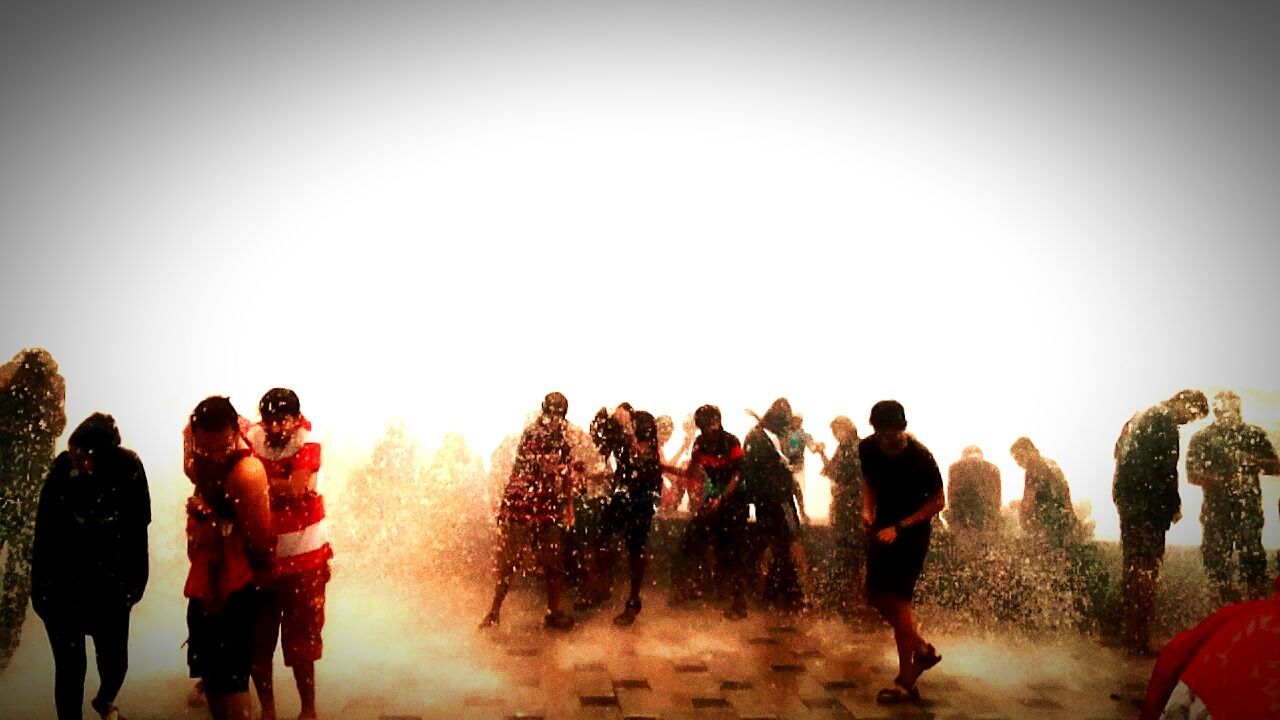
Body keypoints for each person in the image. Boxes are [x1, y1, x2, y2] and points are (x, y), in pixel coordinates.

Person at [31, 413, 149, 720]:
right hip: (62, 584)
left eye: (83, 456)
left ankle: (104, 700)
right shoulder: (62, 468)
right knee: (70, 668)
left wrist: (136, 585)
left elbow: (138, 532)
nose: (76, 461)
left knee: (115, 664)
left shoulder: (128, 469)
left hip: (110, 583)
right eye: (73, 452)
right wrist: (39, 589)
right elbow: (43, 532)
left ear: (105, 455)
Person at [184, 397, 275, 720]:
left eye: (221, 448)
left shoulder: (247, 473)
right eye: (205, 450)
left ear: (235, 432)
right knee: (208, 669)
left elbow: (261, 542)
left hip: (237, 583)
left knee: (233, 673)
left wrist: (215, 519)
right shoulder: (193, 443)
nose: (212, 457)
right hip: (204, 579)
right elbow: (192, 469)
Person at [246, 389, 332, 720]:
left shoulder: (309, 439)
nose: (276, 427)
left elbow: (299, 488)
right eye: (270, 421)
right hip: (261, 557)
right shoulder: (252, 436)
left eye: (283, 420)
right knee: (258, 641)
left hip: (306, 557)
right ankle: (268, 710)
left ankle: (307, 709)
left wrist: (250, 483)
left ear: (296, 419)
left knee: (302, 644)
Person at [860, 400, 945, 705]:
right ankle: (922, 651)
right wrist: (868, 510)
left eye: (893, 434)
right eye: (882, 434)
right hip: (882, 528)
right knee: (874, 595)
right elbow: (869, 481)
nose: (888, 440)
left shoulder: (920, 457)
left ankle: (906, 680)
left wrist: (900, 527)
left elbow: (938, 502)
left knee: (897, 602)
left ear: (903, 428)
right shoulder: (868, 448)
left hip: (911, 533)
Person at [1113, 389, 1209, 655]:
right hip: (1147, 509)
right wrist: (1171, 504)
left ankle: (1130, 634)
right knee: (1147, 570)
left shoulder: (1140, 415)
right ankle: (1138, 640)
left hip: (1130, 505)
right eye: (1191, 415)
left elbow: (1120, 454)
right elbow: (1165, 469)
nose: (1188, 422)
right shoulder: (1165, 420)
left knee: (1133, 568)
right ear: (1182, 401)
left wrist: (1126, 501)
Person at [480, 392, 578, 630]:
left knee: (554, 562)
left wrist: (568, 505)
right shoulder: (534, 433)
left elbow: (563, 472)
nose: (556, 418)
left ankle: (553, 612)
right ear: (545, 412)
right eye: (552, 413)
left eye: (559, 414)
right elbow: (546, 466)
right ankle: (494, 612)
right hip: (521, 503)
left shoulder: (562, 437)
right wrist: (567, 470)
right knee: (509, 561)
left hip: (544, 504)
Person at [0, 348, 66, 670]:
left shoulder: (40, 390)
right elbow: (56, 426)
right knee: (19, 573)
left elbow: (55, 426)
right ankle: (6, 643)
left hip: (19, 494)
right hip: (28, 496)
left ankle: (6, 642)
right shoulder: (47, 393)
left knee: (20, 571)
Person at [1187, 391, 1280, 605]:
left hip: (1249, 509)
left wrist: (1254, 461)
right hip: (1216, 509)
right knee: (1217, 564)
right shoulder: (1203, 438)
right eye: (1223, 412)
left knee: (1253, 560)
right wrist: (1222, 481)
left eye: (1231, 412)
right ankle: (1221, 612)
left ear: (1239, 411)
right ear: (1216, 412)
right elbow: (1192, 474)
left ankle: (1252, 611)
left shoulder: (1254, 435)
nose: (1227, 416)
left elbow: (1276, 467)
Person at [668, 404, 749, 618]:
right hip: (715, 499)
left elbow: (739, 474)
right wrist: (663, 468)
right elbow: (691, 472)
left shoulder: (731, 442)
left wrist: (722, 498)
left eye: (711, 424)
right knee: (690, 540)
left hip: (735, 501)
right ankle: (694, 585)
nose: (708, 430)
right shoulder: (700, 443)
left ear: (718, 422)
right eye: (703, 427)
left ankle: (739, 602)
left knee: (732, 550)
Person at [593, 409, 664, 626]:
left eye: (631, 424)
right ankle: (604, 586)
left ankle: (633, 599)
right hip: (626, 493)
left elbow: (639, 457)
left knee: (635, 547)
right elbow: (606, 450)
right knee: (602, 538)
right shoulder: (623, 441)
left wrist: (629, 432)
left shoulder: (647, 447)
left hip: (643, 497)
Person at [742, 398, 811, 610]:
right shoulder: (777, 440)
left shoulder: (756, 436)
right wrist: (801, 508)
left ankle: (762, 593)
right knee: (792, 542)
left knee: (769, 545)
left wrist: (751, 499)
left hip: (765, 501)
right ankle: (806, 594)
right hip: (780, 500)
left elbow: (750, 471)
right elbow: (789, 475)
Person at [820, 415, 865, 617]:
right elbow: (833, 472)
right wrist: (822, 454)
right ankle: (852, 601)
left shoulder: (856, 448)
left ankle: (856, 601)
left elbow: (839, 475)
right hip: (849, 509)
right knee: (850, 555)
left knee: (854, 555)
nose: (836, 436)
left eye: (838, 431)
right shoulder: (847, 448)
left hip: (854, 508)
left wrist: (843, 491)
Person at [1009, 437, 1076, 546]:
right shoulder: (1050, 462)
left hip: (1049, 528)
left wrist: (1018, 506)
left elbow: (1028, 505)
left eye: (1020, 456)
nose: (1018, 462)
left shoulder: (1033, 469)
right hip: (1065, 522)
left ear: (1030, 450)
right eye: (1015, 459)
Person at [943, 446, 1001, 532]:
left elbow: (952, 494)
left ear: (963, 455)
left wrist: (952, 516)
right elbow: (997, 498)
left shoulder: (955, 467)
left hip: (962, 519)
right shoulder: (993, 469)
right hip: (986, 519)